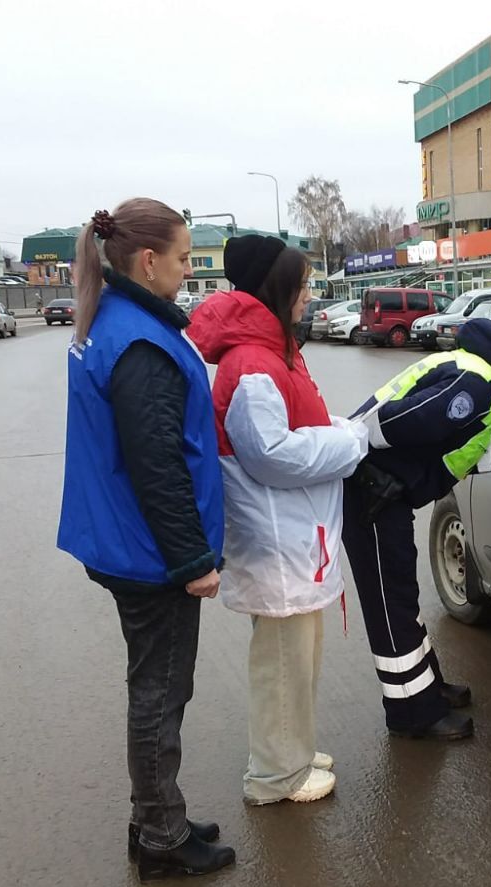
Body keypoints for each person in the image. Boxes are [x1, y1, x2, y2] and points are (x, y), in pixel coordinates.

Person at [56, 199, 235, 882]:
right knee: (160, 691)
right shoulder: (139, 341)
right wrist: (193, 561)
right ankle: (161, 836)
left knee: (155, 686)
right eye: (187, 258)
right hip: (151, 556)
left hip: (131, 546)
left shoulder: (120, 323)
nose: (191, 272)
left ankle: (156, 815)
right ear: (149, 260)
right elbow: (157, 464)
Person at [188, 236, 368, 806]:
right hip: (277, 539)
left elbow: (295, 425)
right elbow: (272, 454)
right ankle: (275, 776)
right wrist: (349, 442)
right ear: (277, 289)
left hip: (295, 534)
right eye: (304, 285)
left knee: (298, 656)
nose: (310, 296)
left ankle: (290, 749)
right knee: (284, 663)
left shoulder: (271, 350)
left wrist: (338, 428)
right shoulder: (253, 360)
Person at [343, 313, 491, 740]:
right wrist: (371, 469)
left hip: (386, 496)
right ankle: (413, 715)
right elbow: (384, 423)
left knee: (402, 598)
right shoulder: (477, 383)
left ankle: (427, 689)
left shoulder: (489, 383)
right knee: (390, 605)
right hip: (370, 497)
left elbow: (464, 456)